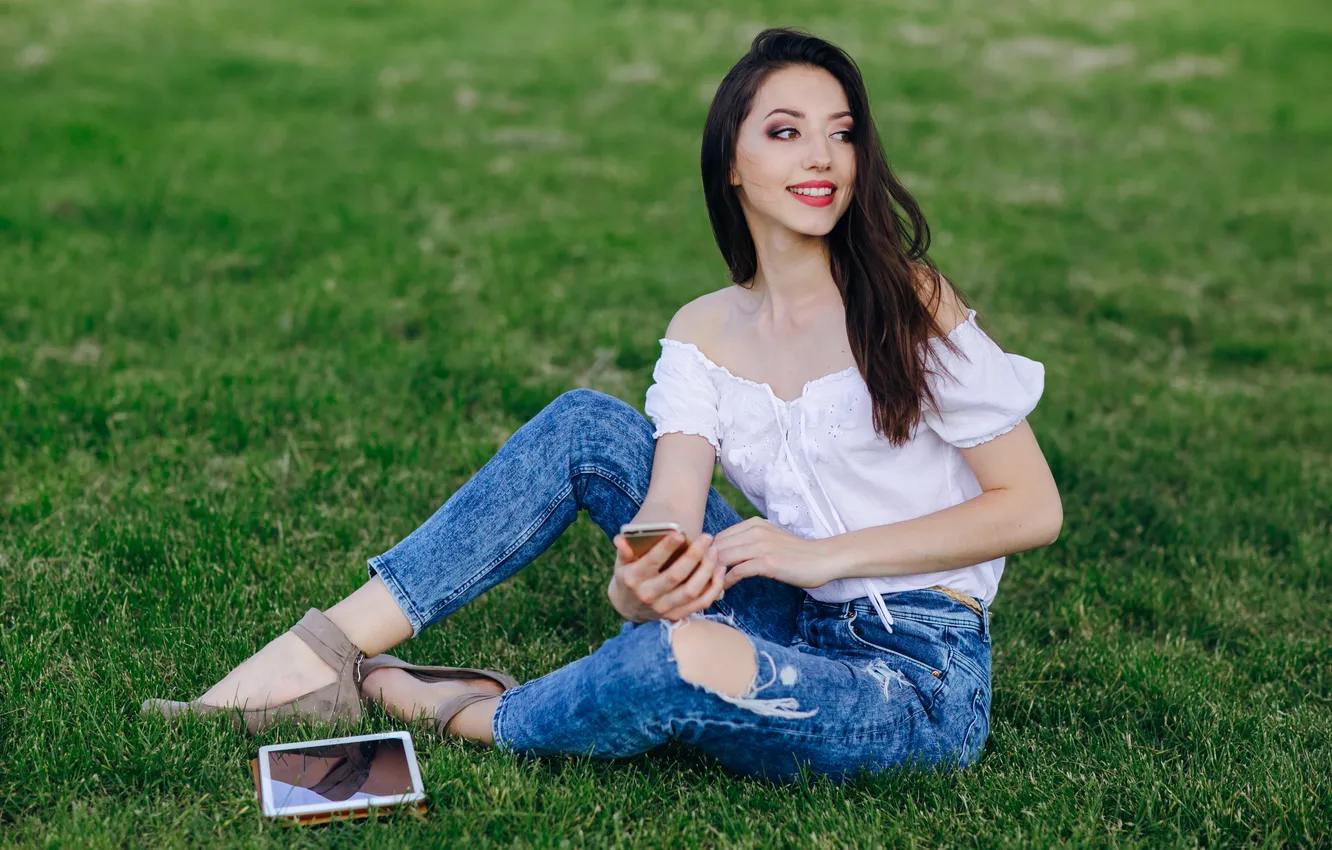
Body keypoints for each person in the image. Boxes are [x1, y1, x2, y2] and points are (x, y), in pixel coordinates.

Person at [143, 27, 1062, 784]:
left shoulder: (909, 300)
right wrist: (640, 579)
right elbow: (669, 506)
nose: (822, 157)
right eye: (785, 132)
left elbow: (1030, 508)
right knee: (588, 426)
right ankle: (318, 654)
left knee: (671, 663)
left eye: (843, 132)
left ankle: (458, 709)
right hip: (780, 607)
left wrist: (817, 556)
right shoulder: (704, 330)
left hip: (914, 673)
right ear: (731, 162)